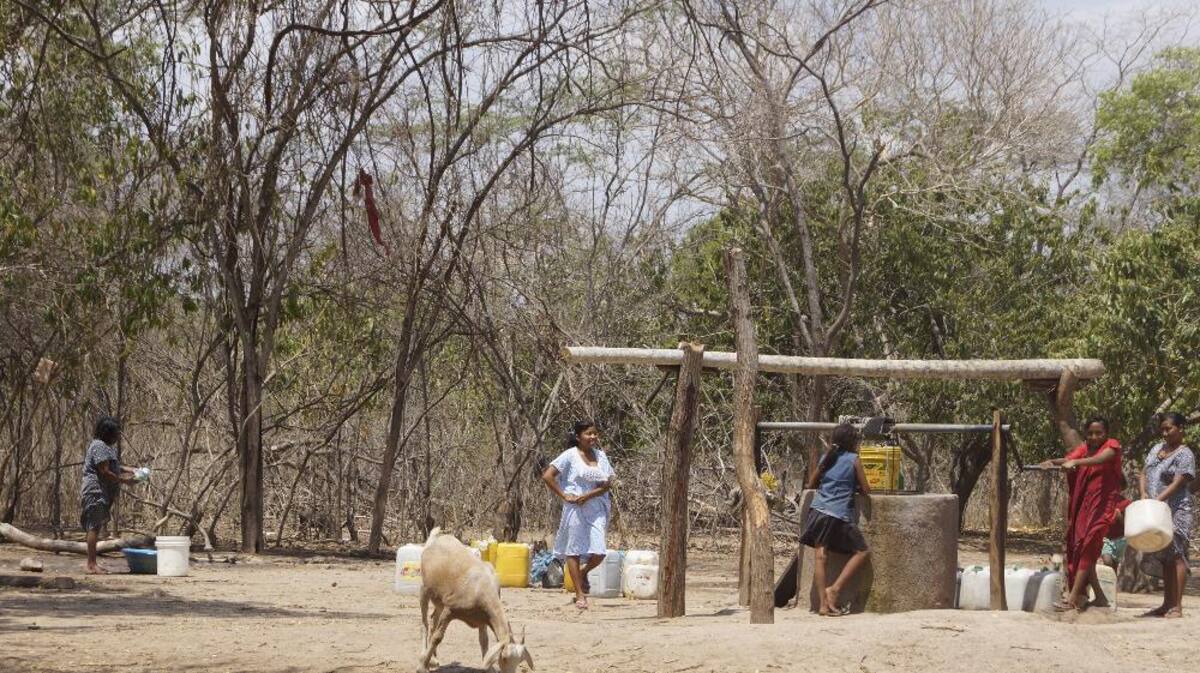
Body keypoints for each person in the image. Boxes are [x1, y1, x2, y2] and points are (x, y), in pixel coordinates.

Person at [1038, 416, 1122, 611]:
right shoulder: (1084, 449)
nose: (1094, 437)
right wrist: (1053, 462)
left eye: (1098, 433)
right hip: (1084, 508)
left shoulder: (1112, 446)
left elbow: (1100, 459)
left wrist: (1076, 462)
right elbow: (1068, 460)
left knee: (1088, 548)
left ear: (1106, 433)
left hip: (1101, 509)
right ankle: (1100, 598)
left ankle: (1073, 598)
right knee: (1084, 550)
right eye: (1090, 433)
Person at [542, 421, 614, 610]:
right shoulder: (570, 455)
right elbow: (548, 476)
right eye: (588, 434)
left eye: (595, 434)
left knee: (599, 551)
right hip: (574, 509)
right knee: (573, 550)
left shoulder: (600, 456)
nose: (592, 437)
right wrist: (564, 494)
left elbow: (607, 484)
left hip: (597, 507)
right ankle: (579, 594)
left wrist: (587, 496)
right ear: (578, 436)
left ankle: (584, 571)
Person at [800, 423, 871, 616]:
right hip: (838, 514)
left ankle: (823, 605)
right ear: (852, 441)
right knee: (862, 552)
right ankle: (835, 589)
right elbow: (866, 490)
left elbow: (811, 483)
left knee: (821, 557)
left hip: (817, 511)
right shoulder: (854, 460)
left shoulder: (826, 458)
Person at [1138, 412, 1194, 618]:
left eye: (1169, 428)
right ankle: (1166, 603)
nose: (1165, 433)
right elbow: (1144, 473)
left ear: (1180, 429)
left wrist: (1157, 499)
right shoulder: (1155, 449)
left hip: (1177, 509)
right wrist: (1144, 493)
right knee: (1165, 557)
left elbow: (1179, 482)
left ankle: (1177, 606)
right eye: (1162, 429)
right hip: (1156, 510)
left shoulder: (1185, 454)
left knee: (1177, 554)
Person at [80, 416, 138, 574]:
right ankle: (91, 565)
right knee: (94, 526)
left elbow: (114, 465)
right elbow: (105, 471)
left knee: (96, 526)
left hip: (101, 490)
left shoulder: (105, 447)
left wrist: (131, 470)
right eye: (115, 433)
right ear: (107, 433)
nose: (117, 437)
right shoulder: (99, 446)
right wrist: (125, 481)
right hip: (95, 490)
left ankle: (92, 563)